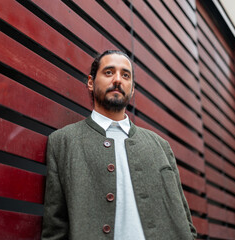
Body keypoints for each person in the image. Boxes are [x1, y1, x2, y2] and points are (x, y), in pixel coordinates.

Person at [42, 50, 197, 239]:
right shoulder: (63, 142)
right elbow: (55, 227)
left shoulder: (160, 145)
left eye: (125, 75)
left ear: (131, 89)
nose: (117, 80)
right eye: (109, 72)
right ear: (90, 82)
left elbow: (186, 221)